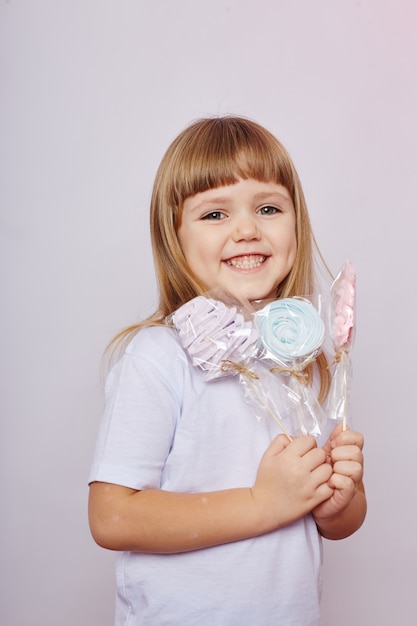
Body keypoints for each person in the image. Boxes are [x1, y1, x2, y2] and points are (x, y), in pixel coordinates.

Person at [88, 116, 366, 625]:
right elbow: (112, 516)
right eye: (214, 213)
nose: (246, 229)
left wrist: (340, 498)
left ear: (296, 223)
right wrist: (263, 503)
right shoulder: (157, 357)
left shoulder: (299, 360)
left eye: (268, 208)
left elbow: (336, 524)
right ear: (173, 234)